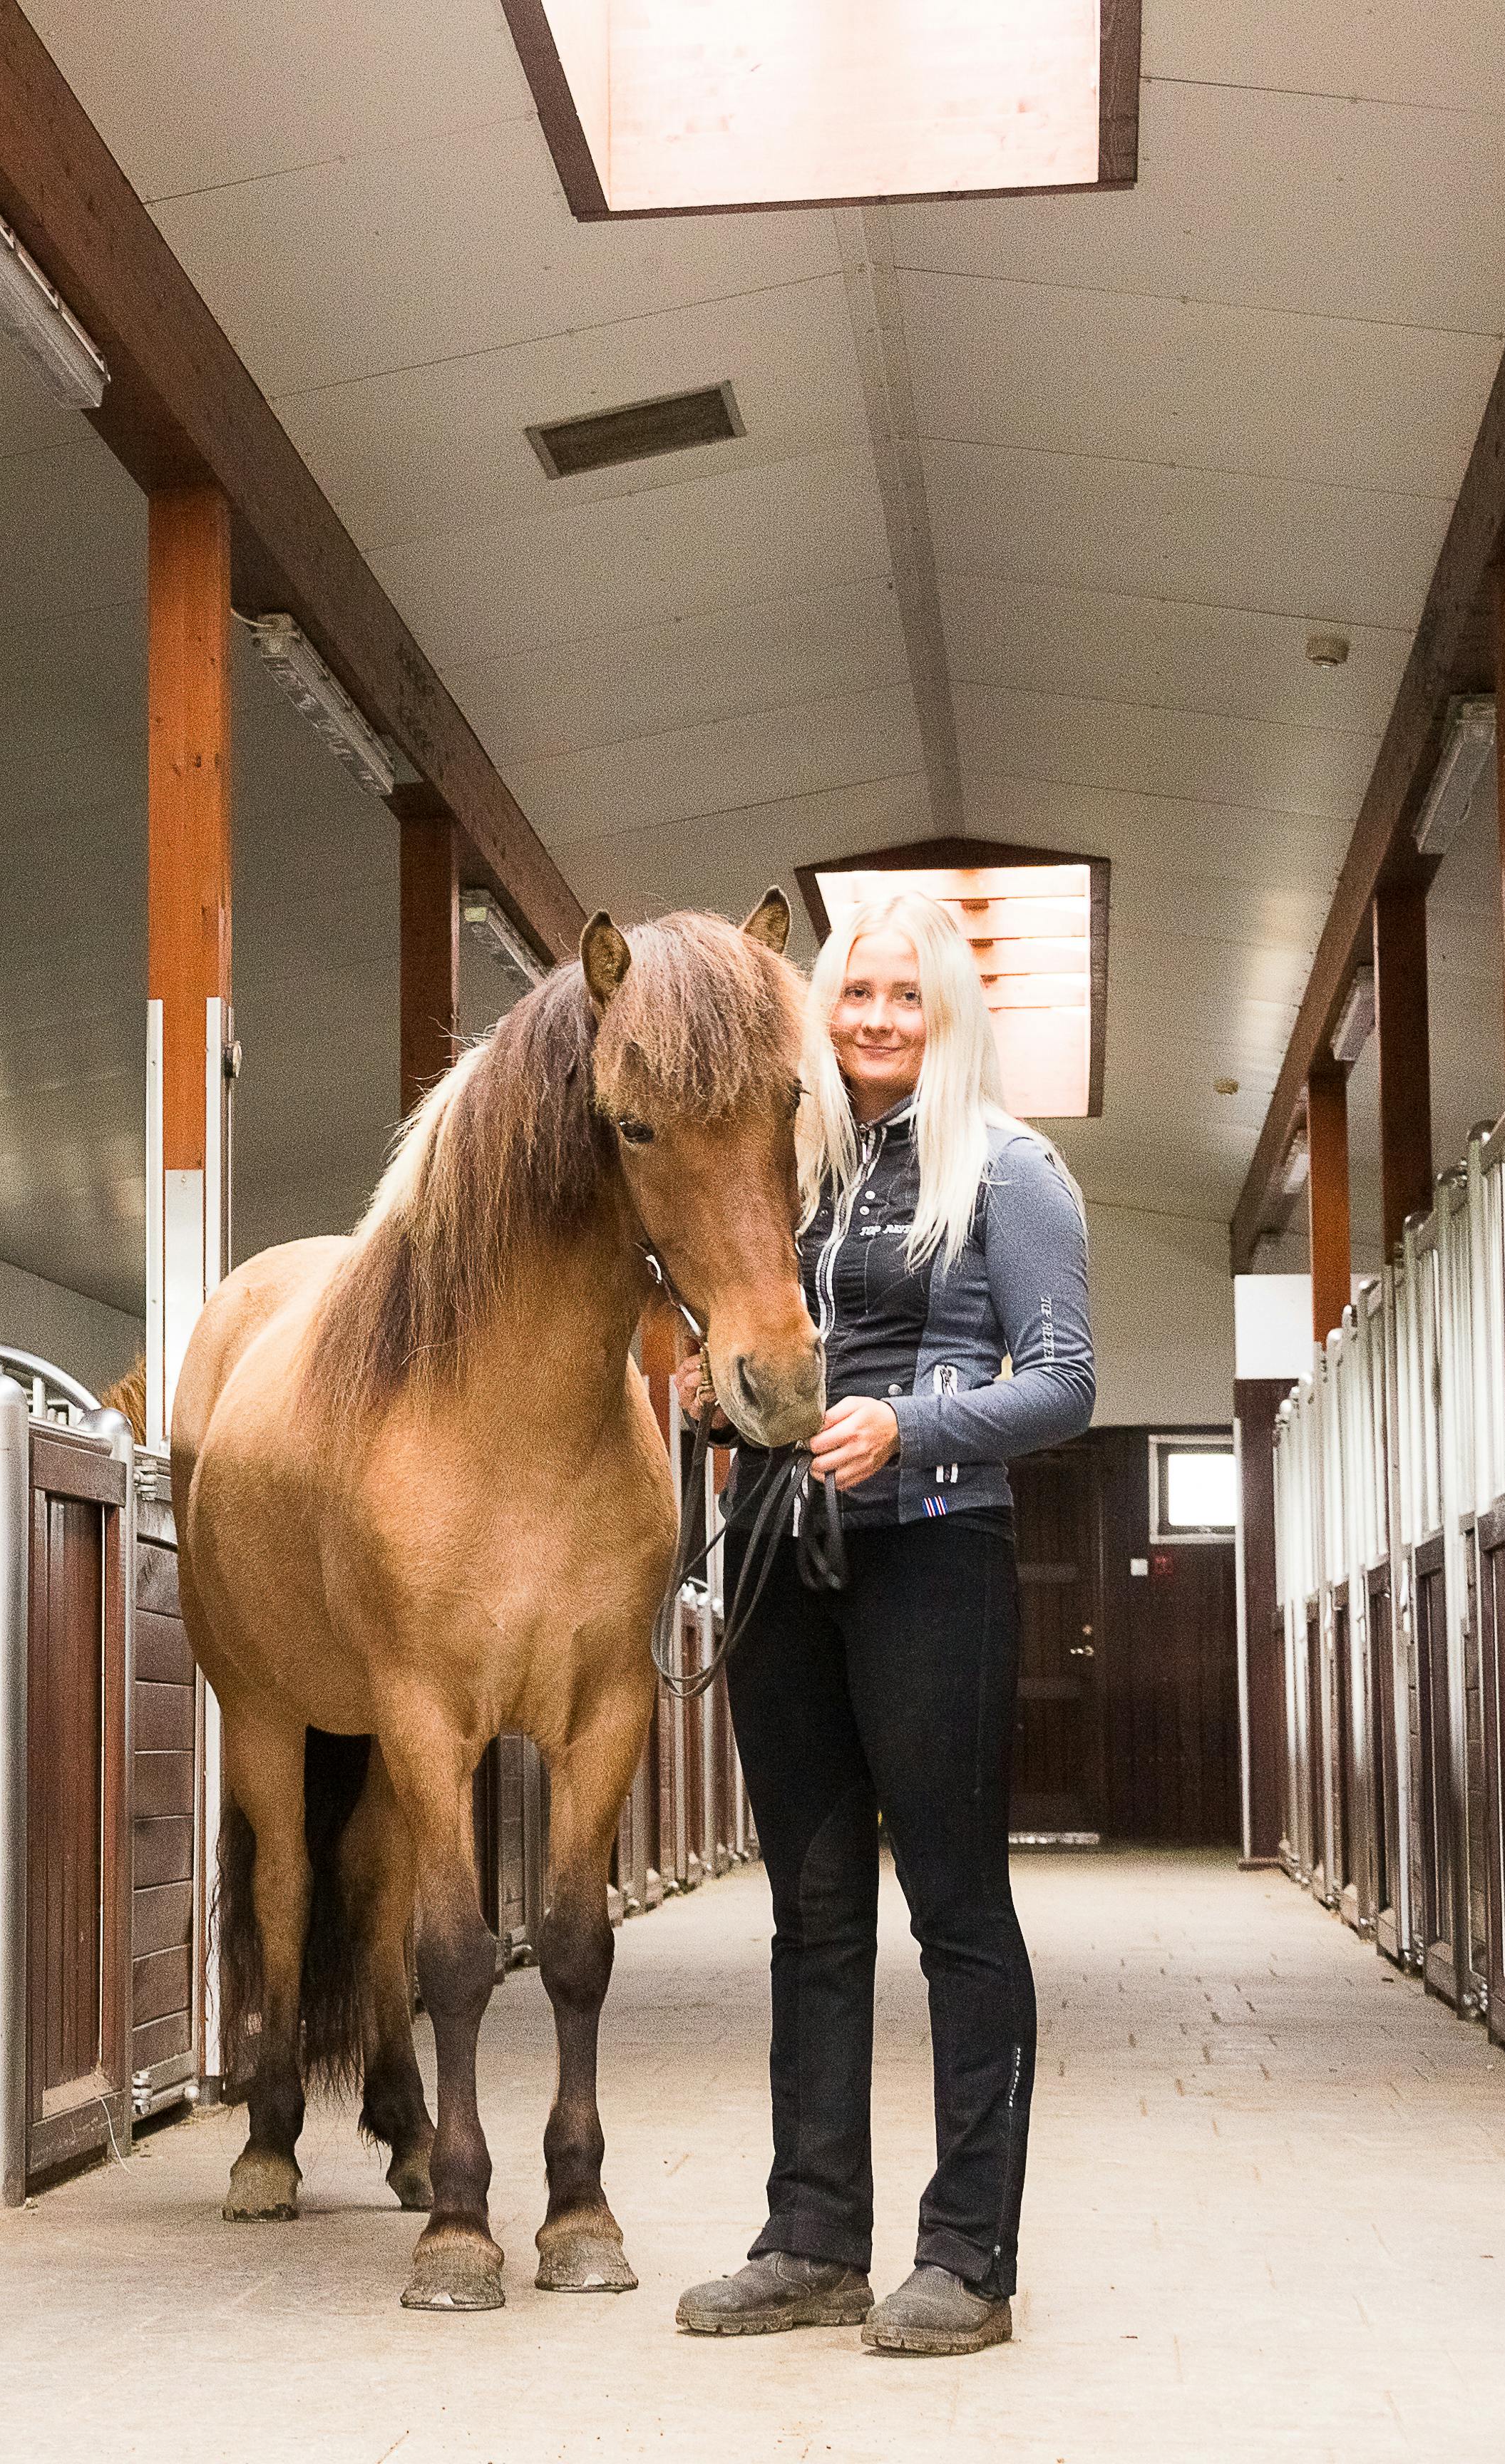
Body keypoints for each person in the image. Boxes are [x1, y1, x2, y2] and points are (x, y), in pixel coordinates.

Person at [669, 888, 1095, 2357]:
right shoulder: (798, 1174)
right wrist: (717, 1402)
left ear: (950, 1012)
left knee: (958, 1910)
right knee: (812, 1908)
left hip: (935, 1556)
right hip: (783, 1555)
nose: (874, 1018)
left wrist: (907, 1428)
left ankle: (970, 2254)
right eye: (854, 993)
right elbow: (764, 1348)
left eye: (903, 996)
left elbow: (1063, 1386)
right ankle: (812, 2239)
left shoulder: (1014, 1171)